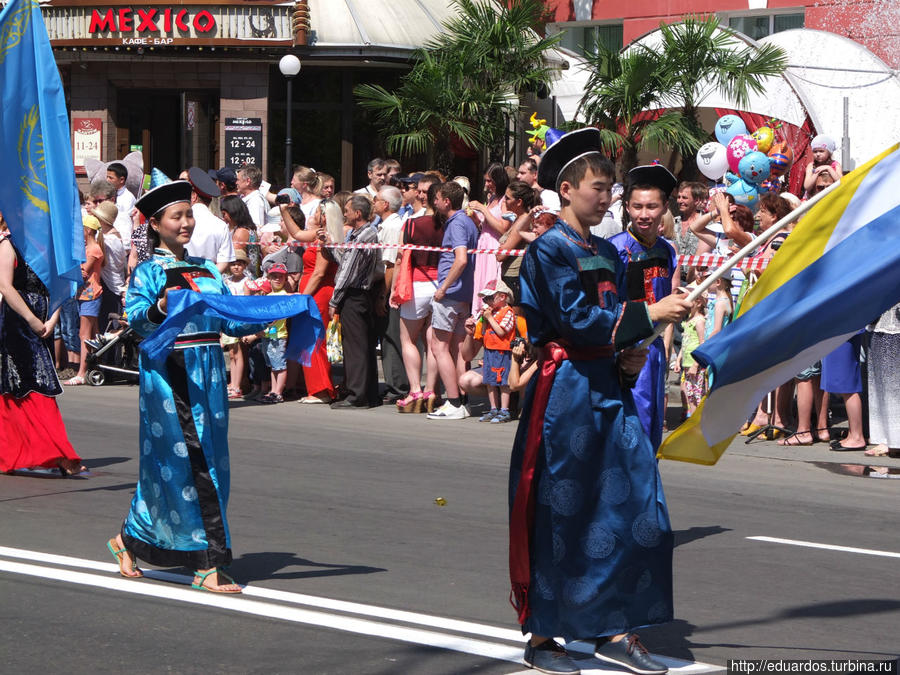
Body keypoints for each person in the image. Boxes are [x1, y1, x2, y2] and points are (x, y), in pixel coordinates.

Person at [508, 128, 690, 675]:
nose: (607, 196)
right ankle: (544, 637)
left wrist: (630, 353)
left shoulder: (609, 250)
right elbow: (575, 322)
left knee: (636, 503)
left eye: (611, 186)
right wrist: (650, 317)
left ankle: (613, 622)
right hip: (564, 394)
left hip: (608, 388)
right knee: (563, 510)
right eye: (599, 186)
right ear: (566, 189)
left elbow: (612, 321)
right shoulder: (548, 249)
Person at [106, 180, 268, 591]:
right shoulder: (148, 271)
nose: (185, 223)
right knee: (195, 464)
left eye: (188, 215)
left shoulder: (206, 267)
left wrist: (266, 310)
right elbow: (138, 319)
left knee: (188, 465)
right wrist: (161, 304)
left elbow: (227, 320)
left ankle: (127, 540)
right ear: (156, 225)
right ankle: (208, 564)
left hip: (209, 374)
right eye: (176, 217)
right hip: (171, 373)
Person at [608, 165, 682, 451]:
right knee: (630, 431)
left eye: (652, 206)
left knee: (652, 428)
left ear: (664, 207)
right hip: (626, 351)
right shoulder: (614, 250)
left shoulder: (667, 250)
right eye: (637, 206)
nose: (644, 214)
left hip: (655, 351)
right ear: (626, 207)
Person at [0, 231, 85, 476]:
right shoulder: (9, 244)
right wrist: (31, 319)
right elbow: (5, 285)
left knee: (39, 384)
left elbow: (60, 285)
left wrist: (53, 317)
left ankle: (14, 454)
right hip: (17, 324)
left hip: (44, 323)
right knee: (24, 385)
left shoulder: (48, 245)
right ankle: (59, 453)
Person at [426, 181, 479, 420]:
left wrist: (443, 288)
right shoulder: (466, 221)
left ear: (447, 201)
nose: (434, 202)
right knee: (457, 349)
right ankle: (461, 401)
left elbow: (461, 260)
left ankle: (454, 402)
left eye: (436, 198)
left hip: (450, 294)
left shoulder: (458, 223)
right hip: (463, 294)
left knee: (439, 347)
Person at [392, 182, 443, 414]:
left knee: (408, 340)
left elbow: (402, 259)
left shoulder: (411, 224)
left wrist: (395, 289)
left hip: (417, 284)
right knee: (434, 342)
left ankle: (415, 391)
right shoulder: (448, 224)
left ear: (426, 199)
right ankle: (431, 390)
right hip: (441, 285)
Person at [328, 195, 381, 408]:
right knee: (362, 344)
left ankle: (356, 395)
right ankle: (367, 392)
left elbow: (347, 273)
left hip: (356, 294)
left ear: (357, 214)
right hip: (359, 294)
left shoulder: (365, 235)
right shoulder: (357, 234)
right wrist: (333, 247)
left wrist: (334, 300)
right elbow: (346, 261)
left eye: (348, 210)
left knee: (356, 347)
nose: (345, 214)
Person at [297, 200, 339, 405]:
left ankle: (321, 389)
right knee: (312, 339)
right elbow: (296, 234)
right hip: (315, 292)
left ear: (324, 216)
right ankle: (317, 387)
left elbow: (319, 273)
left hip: (318, 293)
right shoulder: (319, 236)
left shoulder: (324, 240)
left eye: (317, 212)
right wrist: (284, 210)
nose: (313, 215)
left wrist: (302, 296)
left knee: (315, 340)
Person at [374, 186, 409, 403]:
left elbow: (389, 265)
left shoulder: (390, 227)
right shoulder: (390, 224)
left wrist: (383, 295)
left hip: (390, 290)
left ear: (385, 204)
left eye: (376, 199)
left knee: (391, 337)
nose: (373, 202)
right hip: (393, 290)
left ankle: (396, 386)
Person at [64, 215, 106, 386]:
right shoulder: (89, 249)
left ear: (88, 230)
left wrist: (70, 268)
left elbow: (83, 272)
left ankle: (81, 373)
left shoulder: (93, 249)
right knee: (93, 335)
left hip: (91, 295)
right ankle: (95, 367)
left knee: (84, 335)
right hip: (86, 295)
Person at [242, 264, 290, 404]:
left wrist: (257, 333)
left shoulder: (282, 295)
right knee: (272, 365)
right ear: (269, 278)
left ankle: (278, 392)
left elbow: (273, 318)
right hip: (268, 336)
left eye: (280, 277)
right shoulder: (269, 295)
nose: (277, 279)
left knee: (279, 365)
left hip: (278, 336)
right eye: (274, 276)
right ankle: (273, 390)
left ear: (285, 279)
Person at [467, 162, 511, 314]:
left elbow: (503, 227)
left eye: (489, 181)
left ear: (498, 180)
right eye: (485, 180)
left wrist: (483, 209)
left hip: (494, 246)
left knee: (491, 282)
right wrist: (475, 217)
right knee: (480, 280)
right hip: (483, 245)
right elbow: (485, 225)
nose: (486, 184)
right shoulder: (492, 198)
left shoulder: (505, 200)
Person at [474, 280, 516, 424]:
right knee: (490, 381)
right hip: (489, 350)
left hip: (502, 352)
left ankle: (504, 410)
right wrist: (484, 319)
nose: (487, 301)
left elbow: (501, 332)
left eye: (490, 298)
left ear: (502, 297)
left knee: (503, 381)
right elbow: (485, 331)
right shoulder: (491, 313)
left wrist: (490, 318)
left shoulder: (508, 312)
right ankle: (493, 409)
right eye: (485, 299)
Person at [865, 303, 900, 458]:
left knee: (892, 386)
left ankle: (895, 440)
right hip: (879, 323)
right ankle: (887, 437)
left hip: (893, 326)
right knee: (880, 385)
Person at [186, 167, 234, 273]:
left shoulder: (181, 221)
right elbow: (224, 261)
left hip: (182, 280)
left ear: (193, 196)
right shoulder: (221, 225)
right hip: (211, 283)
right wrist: (207, 278)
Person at [672, 294, 706, 417]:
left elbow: (702, 344)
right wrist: (678, 360)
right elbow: (684, 343)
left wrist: (696, 364)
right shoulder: (688, 321)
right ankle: (692, 417)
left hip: (694, 364)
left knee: (697, 393)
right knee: (690, 393)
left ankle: (698, 420)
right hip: (686, 363)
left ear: (698, 303)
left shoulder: (700, 321)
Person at [222, 250, 250, 399]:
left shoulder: (246, 282)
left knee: (238, 353)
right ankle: (232, 383)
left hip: (239, 318)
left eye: (239, 264)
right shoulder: (226, 281)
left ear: (244, 266)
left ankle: (237, 385)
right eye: (233, 264)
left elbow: (246, 303)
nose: (236, 267)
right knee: (232, 353)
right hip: (229, 318)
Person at [237, 164, 268, 230]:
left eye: (238, 180)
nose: (236, 183)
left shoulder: (255, 201)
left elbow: (256, 229)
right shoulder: (250, 199)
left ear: (248, 181)